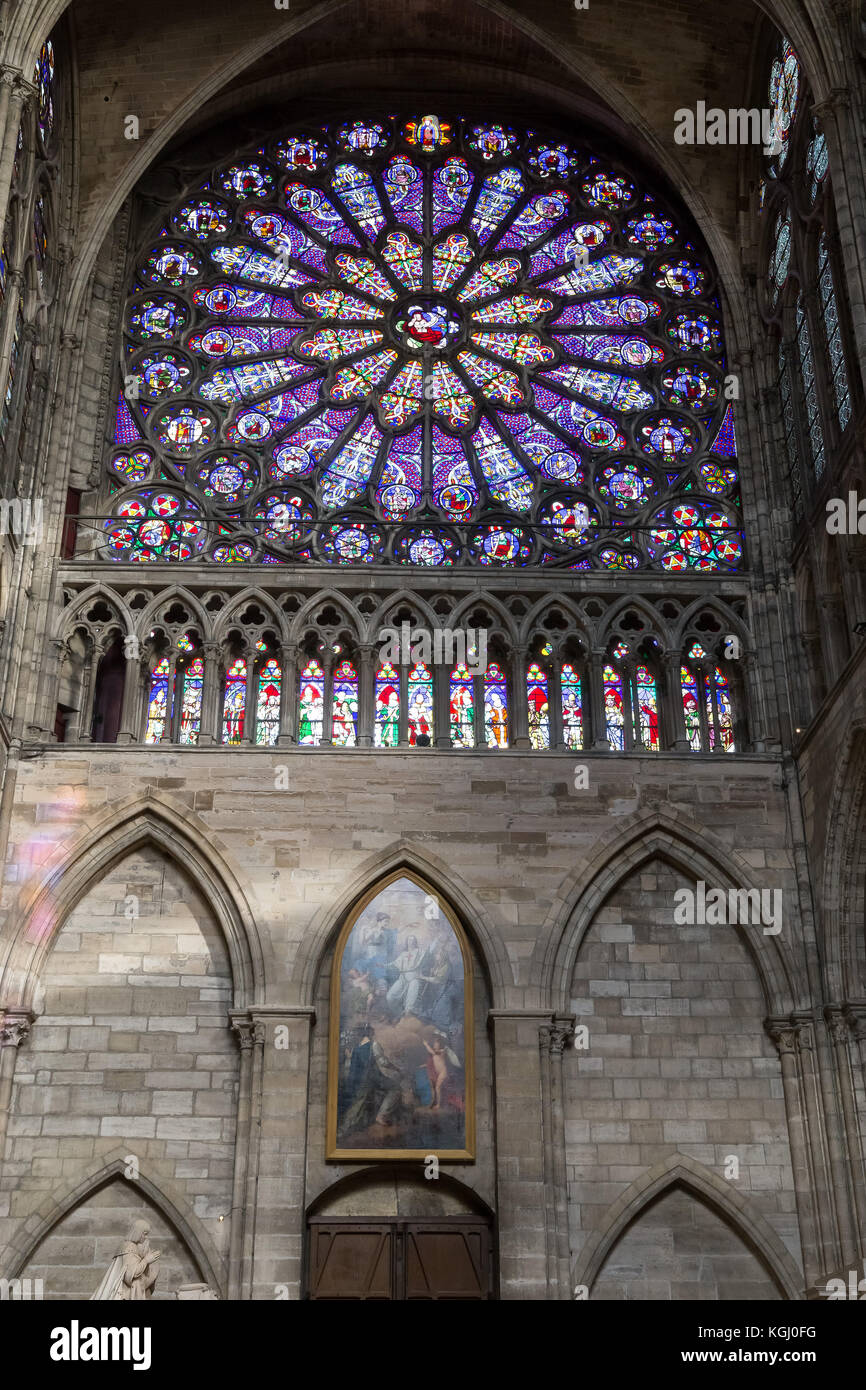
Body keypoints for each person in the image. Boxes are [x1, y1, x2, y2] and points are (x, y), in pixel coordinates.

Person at [91, 1219, 160, 1301]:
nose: (146, 1237)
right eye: (144, 1234)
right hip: (124, 1292)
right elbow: (130, 1275)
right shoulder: (130, 1247)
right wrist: (146, 1260)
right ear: (138, 1232)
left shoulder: (129, 1245)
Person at [385, 934, 427, 1017]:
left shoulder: (420, 952)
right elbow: (394, 964)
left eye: (412, 940)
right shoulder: (403, 954)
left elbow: (425, 960)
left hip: (414, 978)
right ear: (406, 942)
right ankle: (399, 1014)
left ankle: (407, 1019)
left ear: (415, 942)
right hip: (402, 978)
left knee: (410, 1002)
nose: (411, 942)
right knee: (390, 996)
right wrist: (383, 965)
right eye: (409, 940)